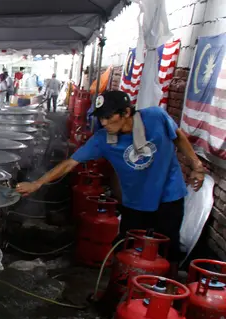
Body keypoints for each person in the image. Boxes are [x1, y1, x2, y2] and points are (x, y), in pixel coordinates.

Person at [16, 91, 205, 271]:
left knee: (169, 247)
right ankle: (121, 289)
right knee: (126, 247)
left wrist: (196, 165)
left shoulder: (156, 117)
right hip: (135, 202)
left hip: (169, 195)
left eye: (108, 116)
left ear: (126, 112)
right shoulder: (102, 140)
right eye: (101, 117)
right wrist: (37, 183)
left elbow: (178, 136)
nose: (104, 122)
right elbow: (69, 164)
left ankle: (168, 291)